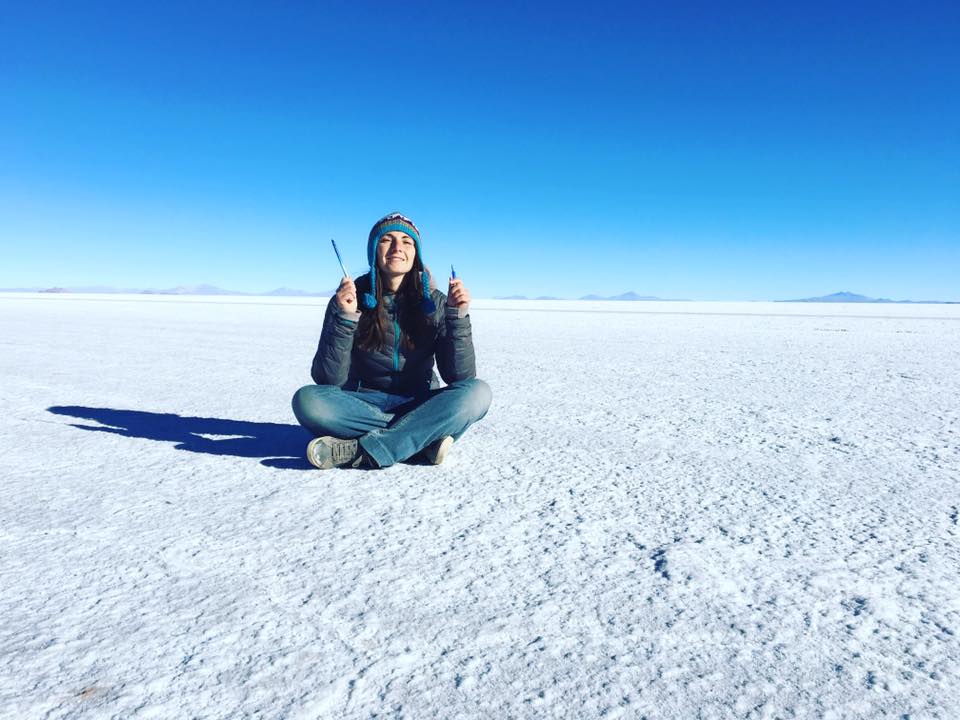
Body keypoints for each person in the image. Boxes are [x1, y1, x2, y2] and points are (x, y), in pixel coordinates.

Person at [292, 212, 492, 469]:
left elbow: (460, 376)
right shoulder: (348, 298)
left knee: (477, 394)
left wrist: (458, 315)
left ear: (416, 254)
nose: (398, 247)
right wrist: (345, 317)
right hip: (362, 403)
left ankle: (365, 451)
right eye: (387, 239)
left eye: (407, 242)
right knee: (308, 401)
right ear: (374, 250)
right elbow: (328, 380)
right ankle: (421, 440)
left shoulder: (438, 302)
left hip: (420, 402)